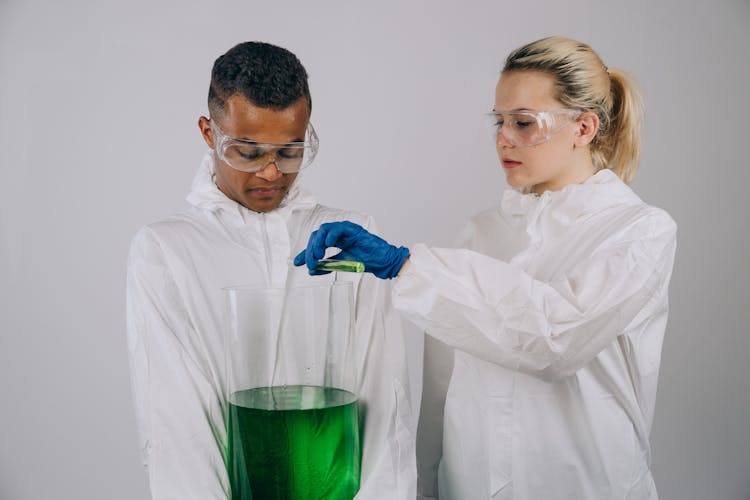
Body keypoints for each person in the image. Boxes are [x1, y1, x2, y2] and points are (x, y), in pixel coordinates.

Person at [296, 36, 677, 499]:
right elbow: (440, 397)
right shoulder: (480, 233)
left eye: (524, 123)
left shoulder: (638, 232)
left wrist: (406, 267)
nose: (503, 138)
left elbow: (555, 338)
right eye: (499, 121)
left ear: (584, 127)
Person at [126, 41, 416, 500]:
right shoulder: (167, 250)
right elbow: (177, 429)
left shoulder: (350, 235)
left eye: (290, 152)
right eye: (247, 152)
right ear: (209, 133)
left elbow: (386, 404)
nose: (270, 173)